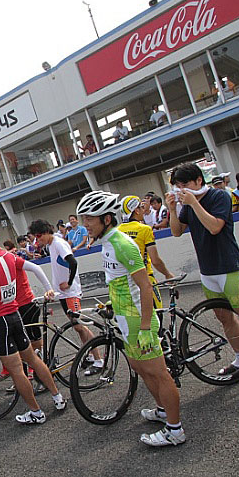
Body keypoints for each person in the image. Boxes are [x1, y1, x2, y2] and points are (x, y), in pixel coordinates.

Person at [77, 190, 184, 447]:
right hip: (126, 317)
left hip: (139, 319)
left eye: (89, 218)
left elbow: (145, 286)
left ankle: (175, 429)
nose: (85, 224)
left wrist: (147, 327)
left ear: (106, 219)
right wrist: (112, 305)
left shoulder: (123, 244)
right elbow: (120, 283)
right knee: (139, 367)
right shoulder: (107, 244)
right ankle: (161, 410)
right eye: (83, 218)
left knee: (159, 373)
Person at [167, 163, 239, 384]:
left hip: (230, 268)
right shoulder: (188, 204)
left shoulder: (219, 196)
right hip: (208, 270)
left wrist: (193, 203)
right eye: (178, 186)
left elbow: (214, 227)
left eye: (185, 184)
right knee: (223, 317)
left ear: (199, 181)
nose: (182, 189)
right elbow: (176, 231)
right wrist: (173, 209)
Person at [0, 218, 67, 424]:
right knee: (33, 359)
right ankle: (58, 397)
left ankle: (36, 412)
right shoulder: (9, 256)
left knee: (16, 370)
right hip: (15, 315)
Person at [29, 219, 103, 374]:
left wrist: (69, 283)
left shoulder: (58, 243)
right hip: (63, 293)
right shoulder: (51, 245)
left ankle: (98, 359)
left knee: (79, 325)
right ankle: (89, 355)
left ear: (45, 232)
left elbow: (73, 262)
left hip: (70, 292)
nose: (38, 240)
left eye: (38, 236)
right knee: (77, 327)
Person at [119, 195, 175, 309]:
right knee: (156, 317)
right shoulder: (144, 229)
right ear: (136, 210)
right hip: (145, 278)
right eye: (140, 207)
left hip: (126, 282)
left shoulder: (117, 231)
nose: (143, 210)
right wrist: (167, 274)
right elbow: (155, 260)